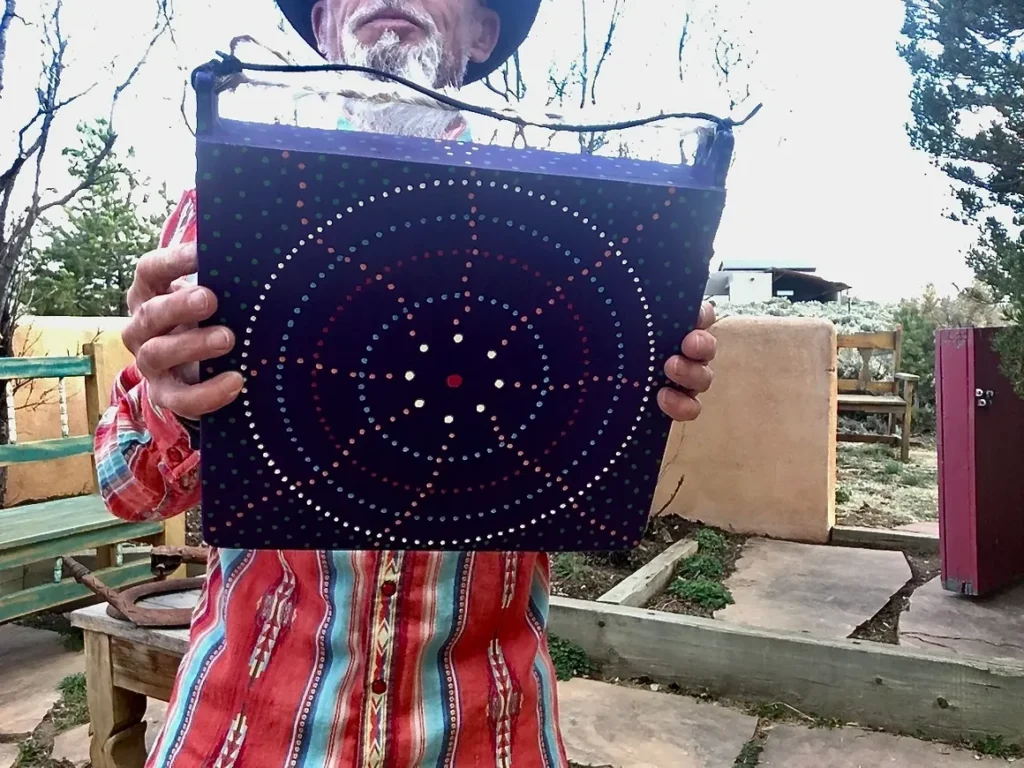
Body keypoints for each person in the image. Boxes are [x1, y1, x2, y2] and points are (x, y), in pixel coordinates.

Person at [95, 0, 719, 765]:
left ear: (482, 33)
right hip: (243, 728)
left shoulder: (576, 226)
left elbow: (591, 494)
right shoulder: (219, 210)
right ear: (322, 29)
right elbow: (127, 490)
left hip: (489, 732)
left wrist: (639, 393)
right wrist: (173, 407)